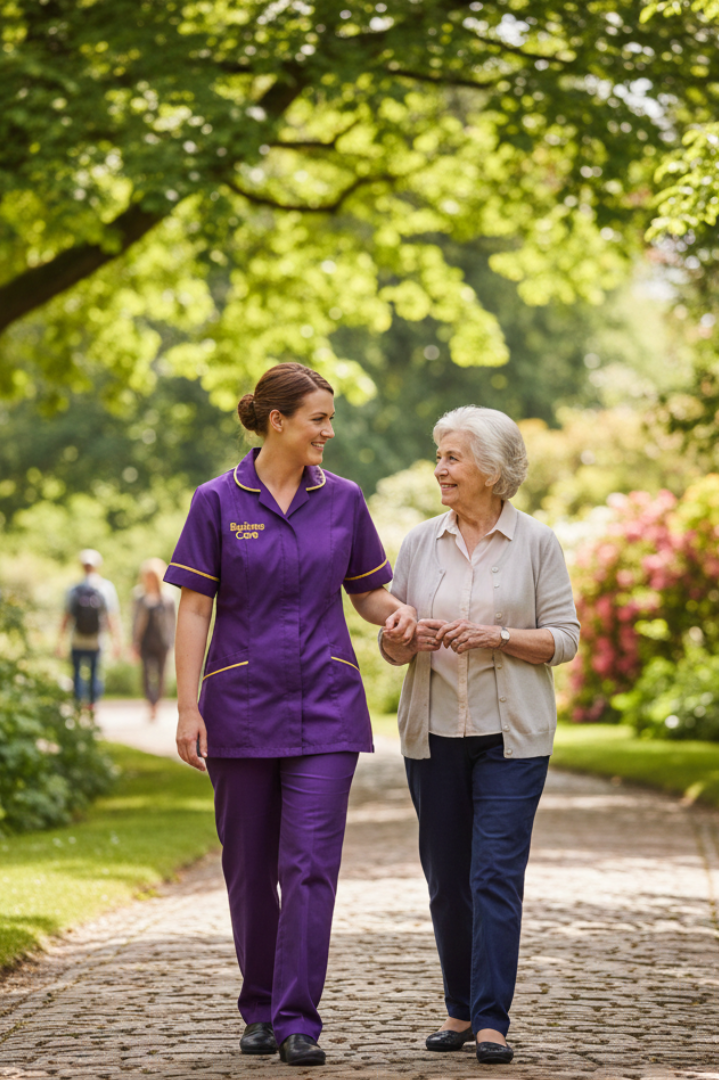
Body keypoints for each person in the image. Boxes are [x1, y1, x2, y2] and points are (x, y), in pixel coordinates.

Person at [164, 362, 416, 1067]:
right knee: (249, 866)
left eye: (329, 420)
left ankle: (298, 1018)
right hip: (239, 706)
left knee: (308, 866)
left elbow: (369, 594)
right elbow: (194, 607)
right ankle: (260, 1006)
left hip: (327, 708)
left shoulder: (343, 500)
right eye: (318, 420)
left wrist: (401, 619)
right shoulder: (217, 501)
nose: (328, 433)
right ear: (277, 422)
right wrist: (188, 707)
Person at [379, 406, 580, 1066]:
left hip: (512, 738)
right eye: (439, 455)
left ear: (492, 471)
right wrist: (403, 637)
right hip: (433, 733)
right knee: (446, 880)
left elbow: (565, 641)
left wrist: (497, 637)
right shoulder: (417, 544)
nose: (440, 468)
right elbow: (393, 645)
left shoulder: (537, 544)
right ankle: (459, 1010)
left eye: (453, 457)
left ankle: (493, 1020)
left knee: (494, 874)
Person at [56, 549, 123, 711]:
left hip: (77, 638)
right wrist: (117, 641)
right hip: (96, 640)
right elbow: (111, 617)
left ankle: (79, 704)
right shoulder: (106, 588)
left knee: (77, 673)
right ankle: (92, 705)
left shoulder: (73, 589)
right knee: (95, 673)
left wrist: (59, 641)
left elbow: (67, 617)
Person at [131, 558, 175, 721]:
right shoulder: (139, 596)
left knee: (162, 675)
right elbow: (134, 621)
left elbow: (173, 622)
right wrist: (133, 643)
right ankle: (151, 704)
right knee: (146, 674)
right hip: (145, 642)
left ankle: (157, 705)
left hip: (163, 642)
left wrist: (173, 641)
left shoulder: (168, 598)